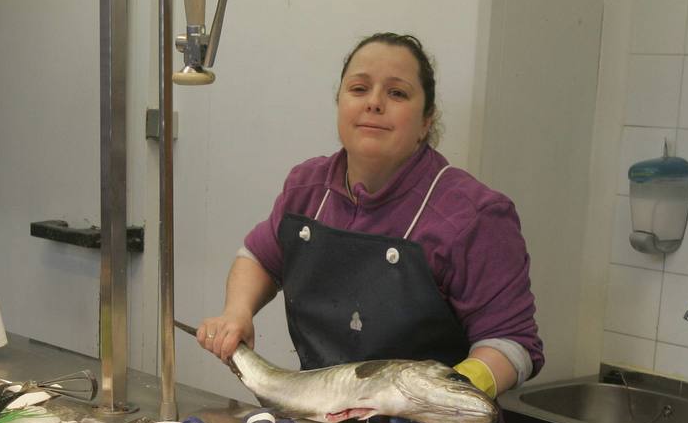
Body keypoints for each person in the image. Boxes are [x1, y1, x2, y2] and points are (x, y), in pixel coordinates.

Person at [197, 32, 542, 403]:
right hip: (322, 420)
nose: (374, 103)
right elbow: (259, 257)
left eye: (397, 93)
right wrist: (237, 312)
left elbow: (513, 345)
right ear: (339, 102)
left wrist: (442, 395)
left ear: (427, 120)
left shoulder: (476, 216)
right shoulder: (307, 187)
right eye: (359, 89)